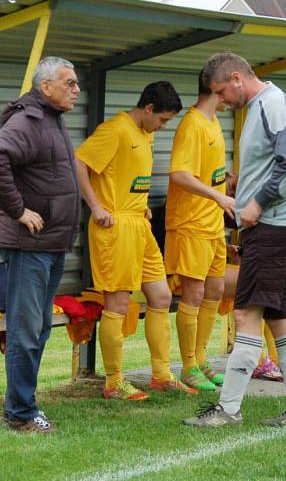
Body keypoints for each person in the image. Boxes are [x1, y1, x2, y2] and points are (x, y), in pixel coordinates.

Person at [183, 52, 286, 428]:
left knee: (245, 313)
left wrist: (257, 202)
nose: (222, 101)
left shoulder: (272, 103)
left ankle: (228, 410)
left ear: (237, 78)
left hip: (273, 226)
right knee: (279, 317)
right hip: (276, 226)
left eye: (222, 92)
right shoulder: (263, 105)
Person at [0, 56, 82, 432]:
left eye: (76, 83)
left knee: (37, 327)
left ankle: (24, 404)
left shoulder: (52, 119)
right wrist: (19, 210)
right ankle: (20, 412)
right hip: (30, 246)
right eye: (69, 83)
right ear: (46, 87)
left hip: (51, 244)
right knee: (25, 330)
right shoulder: (29, 121)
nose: (76, 89)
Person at [75, 81, 194, 400]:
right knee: (117, 303)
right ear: (149, 108)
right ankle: (114, 381)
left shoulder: (146, 133)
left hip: (139, 225)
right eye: (163, 120)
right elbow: (80, 163)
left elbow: (130, 177)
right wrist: (96, 206)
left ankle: (161, 375)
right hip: (114, 228)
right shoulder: (114, 129)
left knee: (162, 295)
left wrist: (141, 206)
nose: (163, 127)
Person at [164, 71, 236, 391]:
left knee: (216, 290)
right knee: (192, 293)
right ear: (217, 88)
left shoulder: (214, 122)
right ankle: (188, 366)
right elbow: (180, 174)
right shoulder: (192, 125)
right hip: (191, 223)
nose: (236, 93)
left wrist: (224, 183)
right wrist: (218, 195)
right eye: (231, 86)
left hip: (212, 223)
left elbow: (207, 172)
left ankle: (202, 359)